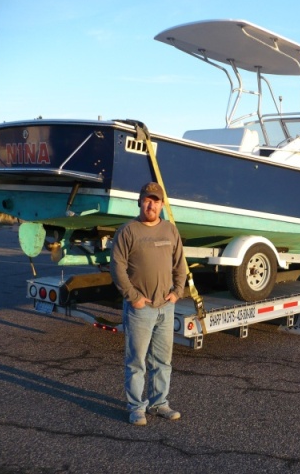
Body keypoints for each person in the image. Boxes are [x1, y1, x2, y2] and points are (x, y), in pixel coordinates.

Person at [110, 181, 186, 426]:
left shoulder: (170, 231)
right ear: (140, 201)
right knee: (137, 361)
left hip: (166, 306)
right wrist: (134, 298)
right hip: (139, 309)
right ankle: (136, 407)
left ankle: (159, 403)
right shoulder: (128, 231)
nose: (151, 204)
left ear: (162, 205)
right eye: (147, 199)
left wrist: (177, 292)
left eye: (156, 201)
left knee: (163, 361)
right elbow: (117, 268)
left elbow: (180, 265)